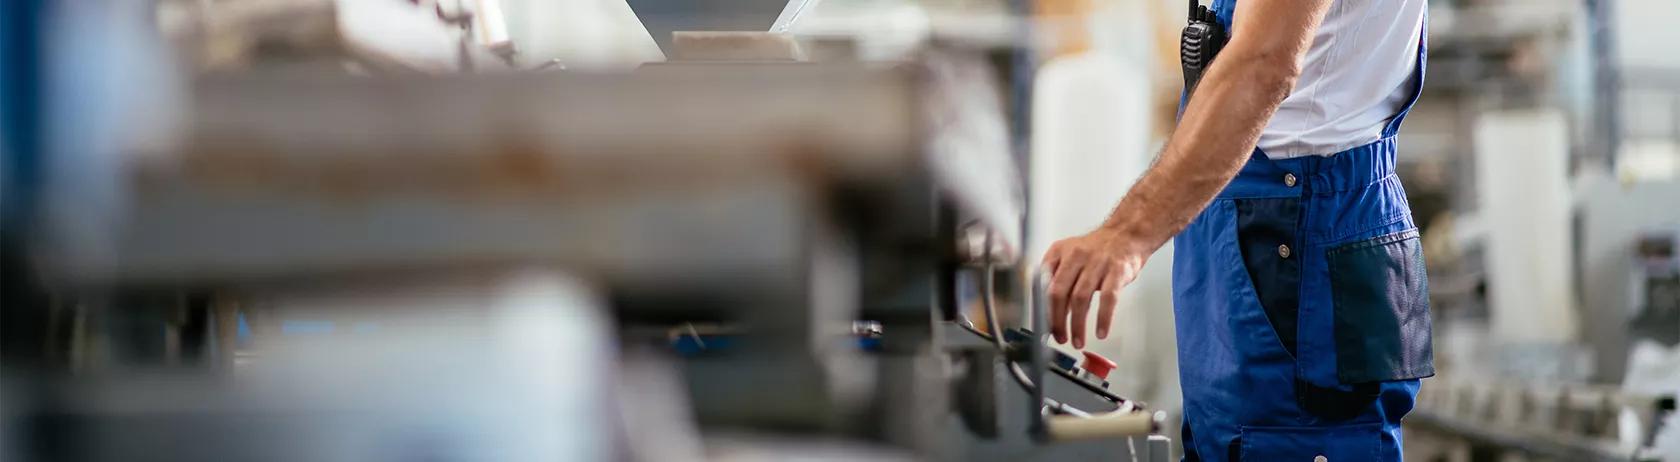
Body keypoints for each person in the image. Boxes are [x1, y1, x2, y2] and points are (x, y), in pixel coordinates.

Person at [1037, 0, 1433, 459]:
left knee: (1286, 442)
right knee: (1225, 442)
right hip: (1260, 217)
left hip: (1301, 232)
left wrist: (1127, 234)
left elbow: (1264, 63)